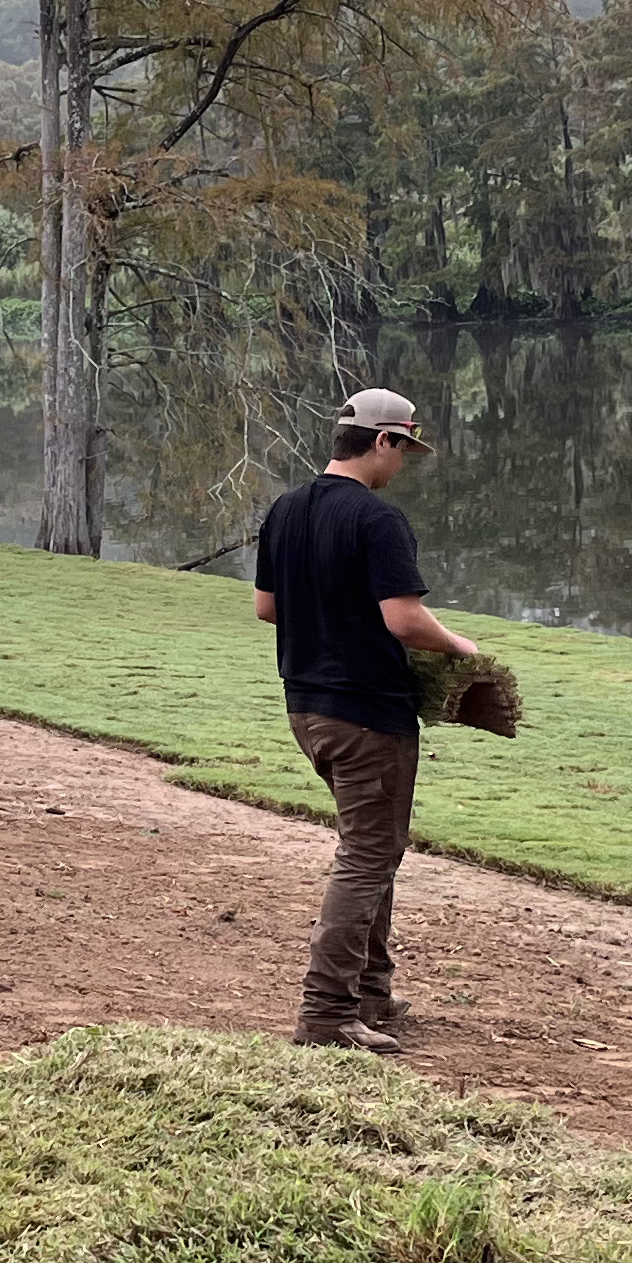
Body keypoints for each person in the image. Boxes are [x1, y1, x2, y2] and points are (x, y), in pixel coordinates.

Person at [251, 387, 476, 1053]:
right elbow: (404, 619)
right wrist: (465, 650)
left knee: (374, 849)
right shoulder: (378, 521)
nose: (402, 464)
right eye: (404, 448)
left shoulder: (286, 509)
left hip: (307, 707)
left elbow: (267, 608)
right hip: (368, 715)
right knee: (368, 855)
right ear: (385, 441)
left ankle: (370, 995)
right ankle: (325, 1017)